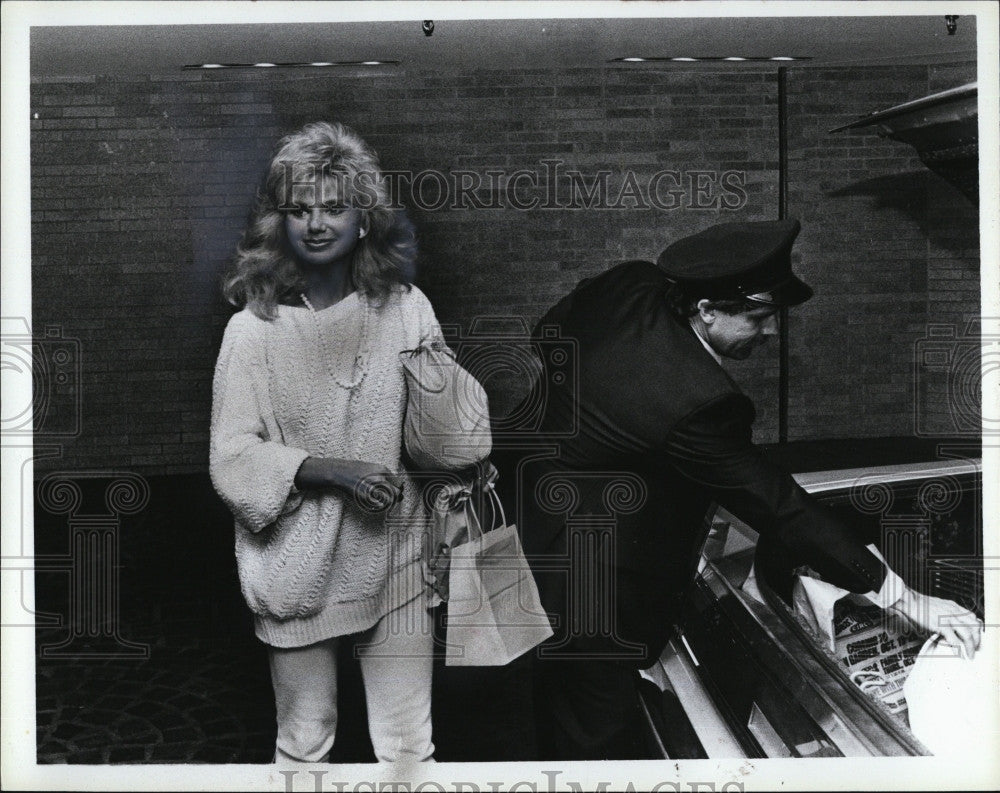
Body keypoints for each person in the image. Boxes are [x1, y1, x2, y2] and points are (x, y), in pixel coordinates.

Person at [508, 218, 983, 760]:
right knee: (599, 731)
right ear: (706, 309)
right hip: (589, 582)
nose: (772, 332)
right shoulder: (699, 400)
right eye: (758, 316)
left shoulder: (633, 282)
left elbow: (548, 330)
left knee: (557, 698)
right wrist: (907, 597)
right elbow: (782, 507)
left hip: (534, 514)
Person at [210, 121, 442, 764]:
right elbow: (231, 455)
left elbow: (438, 428)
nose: (316, 224)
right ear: (277, 223)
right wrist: (332, 470)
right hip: (296, 569)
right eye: (298, 209)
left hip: (396, 552)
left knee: (407, 747)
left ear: (364, 220)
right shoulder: (252, 331)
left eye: (334, 208)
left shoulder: (407, 308)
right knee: (305, 742)